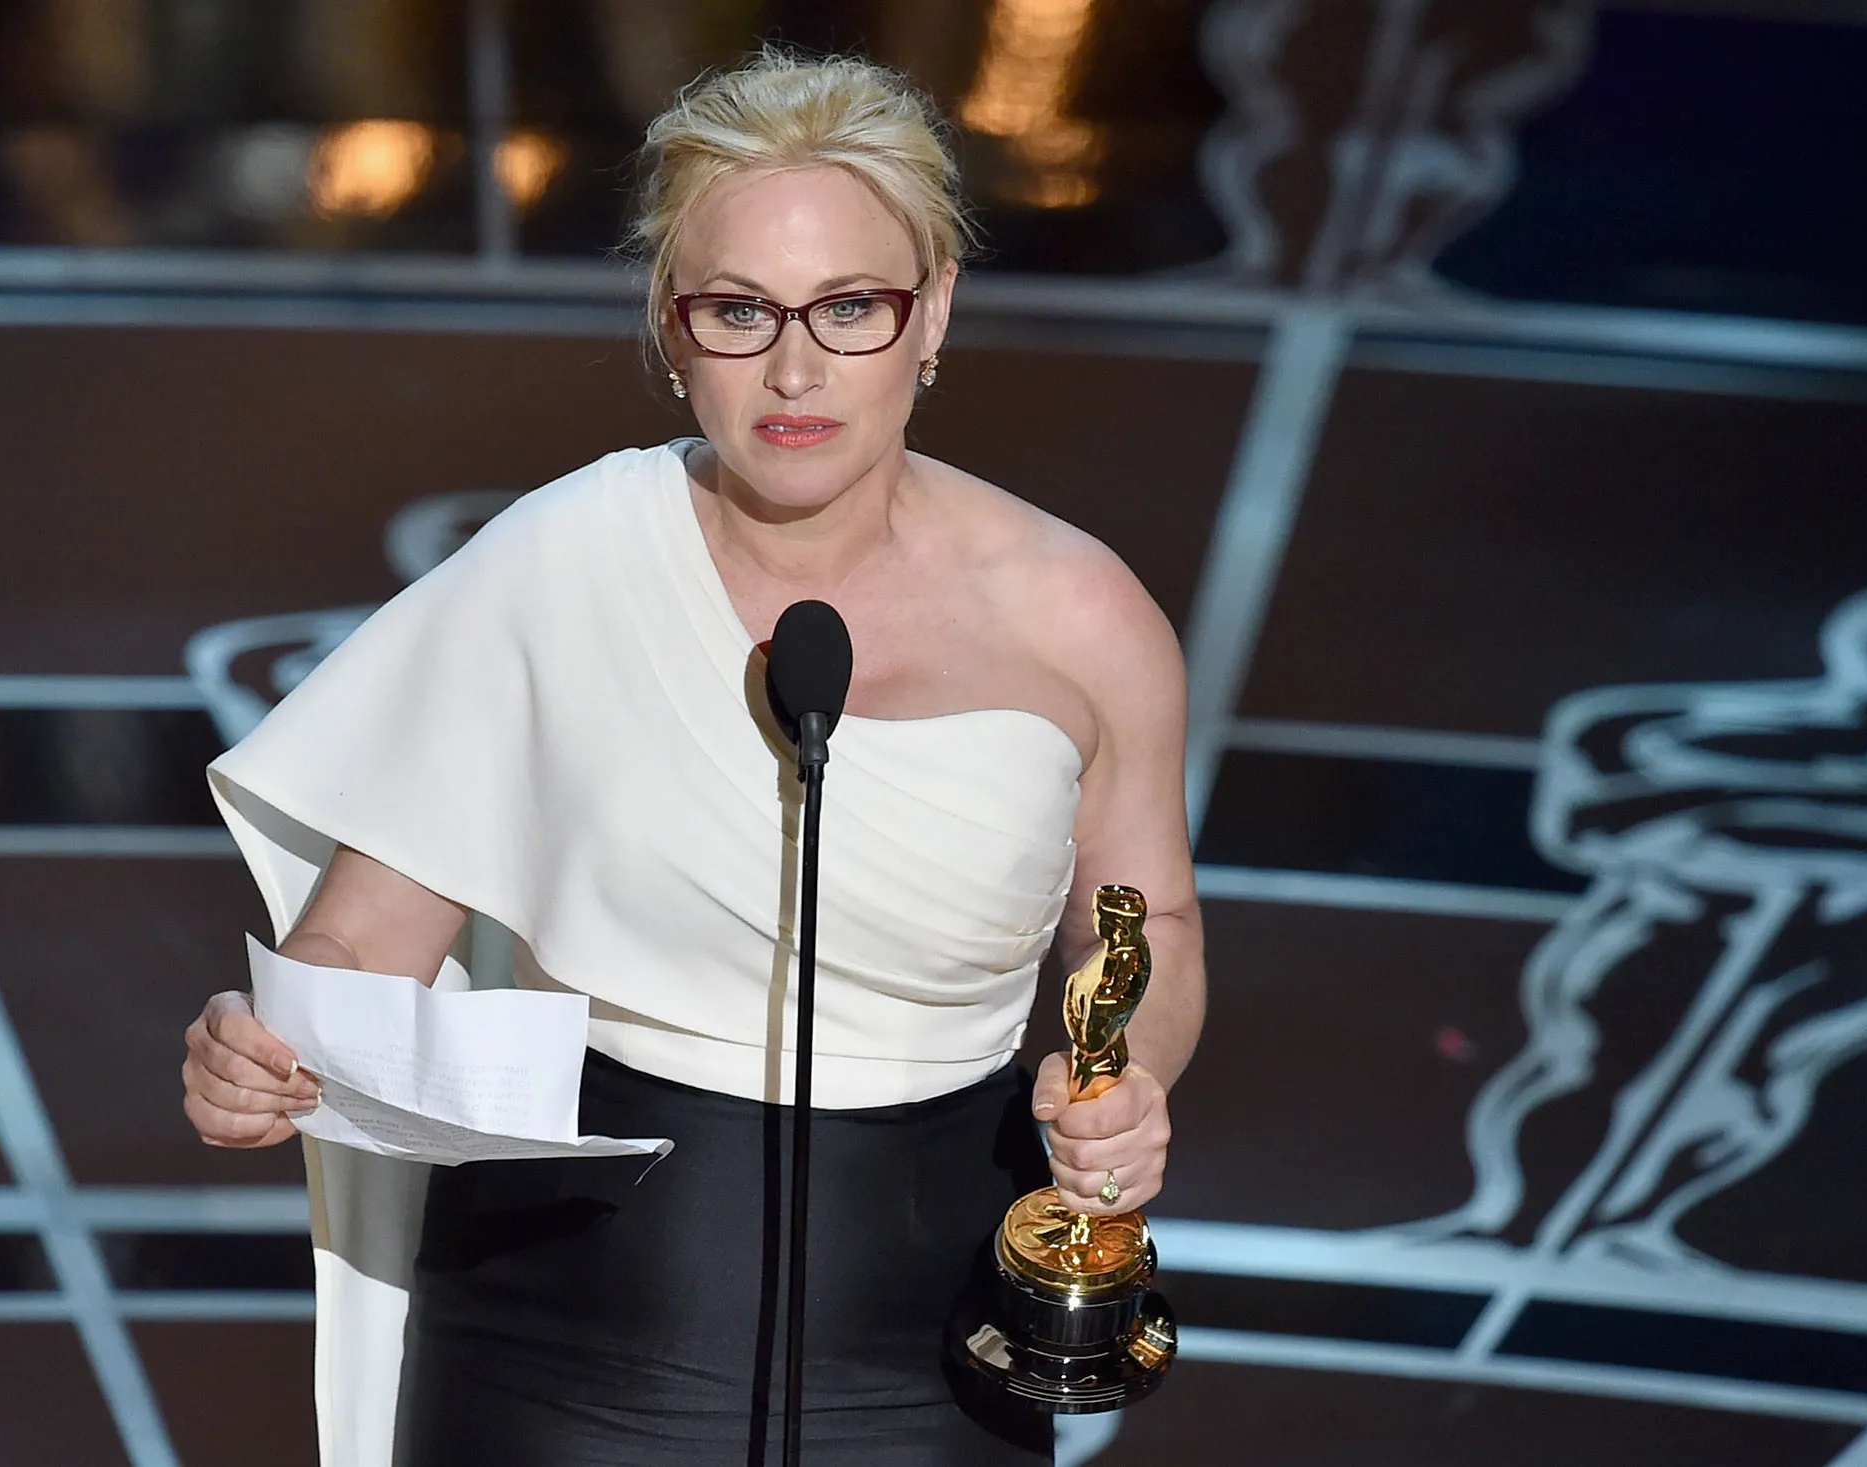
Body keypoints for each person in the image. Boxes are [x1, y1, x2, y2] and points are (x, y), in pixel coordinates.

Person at [180, 52, 1205, 1467]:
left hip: (931, 1354)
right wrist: (261, 1052)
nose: (795, 370)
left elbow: (1143, 922)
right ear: (674, 330)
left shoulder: (1088, 617)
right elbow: (363, 938)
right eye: (740, 312)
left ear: (933, 315)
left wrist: (1125, 1081)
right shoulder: (560, 562)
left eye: (849, 308)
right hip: (558, 1346)